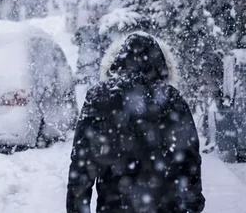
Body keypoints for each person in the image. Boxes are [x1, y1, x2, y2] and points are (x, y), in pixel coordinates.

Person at [66, 32, 204, 213]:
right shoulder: (173, 100)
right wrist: (193, 202)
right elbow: (188, 158)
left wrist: (77, 208)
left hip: (114, 205)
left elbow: (82, 161)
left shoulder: (99, 98)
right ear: (161, 64)